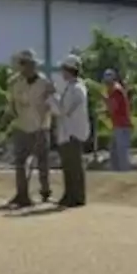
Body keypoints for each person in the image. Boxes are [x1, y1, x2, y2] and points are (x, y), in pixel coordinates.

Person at [5, 48, 55, 208]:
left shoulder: (45, 84)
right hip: (22, 126)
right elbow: (11, 104)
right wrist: (7, 117)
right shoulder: (14, 83)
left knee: (42, 162)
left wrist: (46, 121)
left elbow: (52, 104)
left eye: (26, 64)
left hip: (40, 127)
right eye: (22, 64)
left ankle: (45, 191)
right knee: (20, 162)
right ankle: (22, 194)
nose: (23, 67)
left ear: (33, 65)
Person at [54, 54, 90, 208]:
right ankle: (69, 195)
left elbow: (64, 110)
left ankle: (77, 197)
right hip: (67, 133)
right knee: (68, 167)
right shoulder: (70, 88)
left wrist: (51, 97)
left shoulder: (77, 89)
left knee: (74, 167)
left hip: (73, 133)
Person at [103, 68, 133, 171]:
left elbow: (113, 107)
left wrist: (104, 100)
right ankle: (116, 174)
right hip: (117, 125)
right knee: (114, 151)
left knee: (121, 152)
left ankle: (124, 174)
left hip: (122, 126)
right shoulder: (112, 91)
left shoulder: (116, 91)